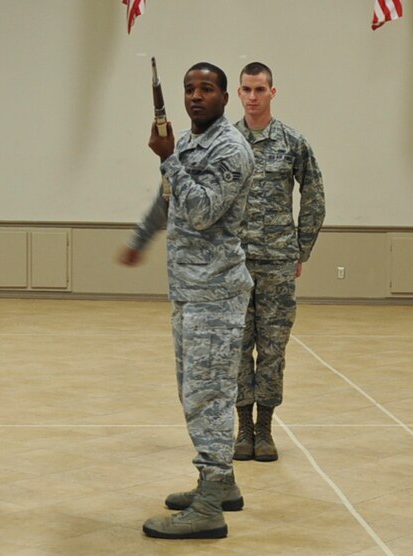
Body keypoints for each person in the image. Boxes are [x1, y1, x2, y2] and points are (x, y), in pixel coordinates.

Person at [119, 62, 254, 540]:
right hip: (189, 291)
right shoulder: (188, 144)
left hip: (216, 294)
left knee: (209, 397)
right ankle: (221, 484)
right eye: (189, 89)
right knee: (196, 393)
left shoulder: (231, 149)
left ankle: (210, 508)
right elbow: (168, 200)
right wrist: (140, 239)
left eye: (207, 89)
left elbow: (200, 213)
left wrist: (166, 157)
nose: (196, 96)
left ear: (224, 98)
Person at [232, 62, 325, 462]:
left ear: (273, 92)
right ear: (238, 93)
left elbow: (314, 195)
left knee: (272, 348)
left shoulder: (292, 142)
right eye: (247, 90)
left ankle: (265, 428)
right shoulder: (226, 142)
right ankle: (242, 430)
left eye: (260, 89)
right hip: (232, 264)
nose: (253, 97)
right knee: (237, 346)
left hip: (276, 262)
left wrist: (300, 249)